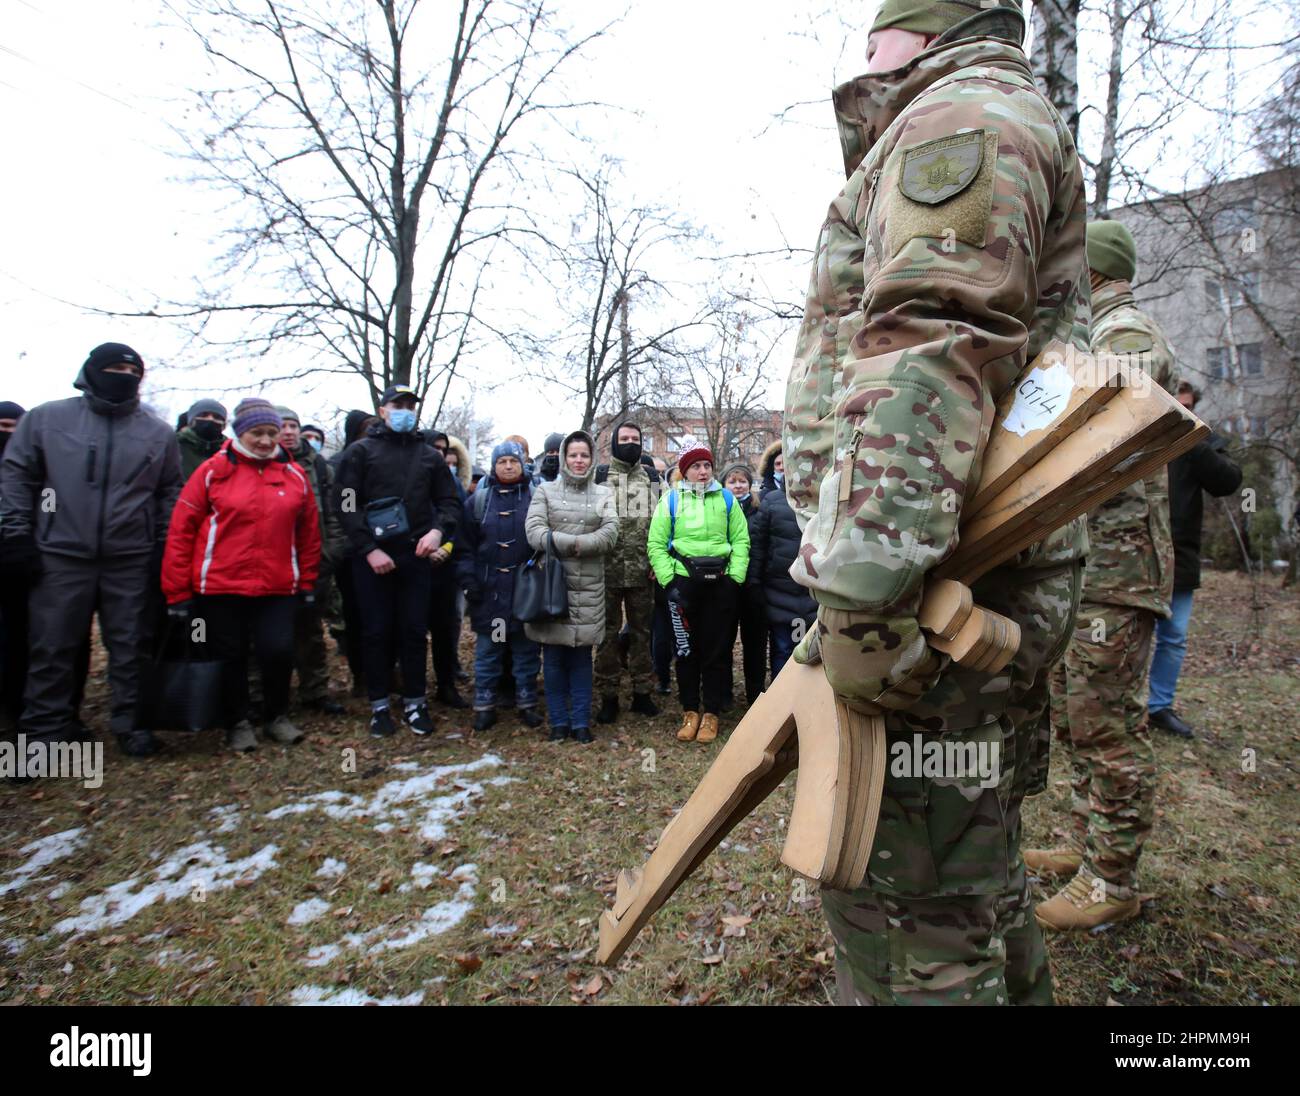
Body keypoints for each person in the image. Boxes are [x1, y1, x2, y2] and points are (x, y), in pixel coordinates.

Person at [782, 0, 1090, 1004]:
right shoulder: (996, 114)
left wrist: (866, 605)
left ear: (916, 27)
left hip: (923, 606)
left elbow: (932, 343)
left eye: (873, 32)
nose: (861, 55)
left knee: (910, 933)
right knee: (970, 891)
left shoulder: (958, 120)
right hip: (954, 583)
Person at [1034, 221, 1179, 932]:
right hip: (1090, 567)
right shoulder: (1093, 332)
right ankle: (1090, 843)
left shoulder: (1124, 331)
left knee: (1108, 728)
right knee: (1075, 718)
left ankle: (1112, 879)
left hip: (1120, 571)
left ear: (1092, 271)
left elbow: (1133, 405)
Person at [0, 344, 183, 758]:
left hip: (130, 556)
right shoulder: (48, 419)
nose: (123, 375)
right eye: (115, 368)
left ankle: (133, 724)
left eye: (131, 369)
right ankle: (44, 736)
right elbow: (17, 477)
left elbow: (169, 490)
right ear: (92, 371)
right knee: (51, 646)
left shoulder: (157, 432)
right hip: (59, 552)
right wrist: (17, 534)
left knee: (131, 646)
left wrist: (162, 545)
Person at [162, 399, 321, 751]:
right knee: (230, 655)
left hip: (278, 585)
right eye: (256, 433)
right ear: (239, 433)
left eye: (271, 433)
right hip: (220, 584)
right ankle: (237, 721)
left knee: (278, 651)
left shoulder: (293, 475)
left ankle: (276, 716)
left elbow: (308, 533)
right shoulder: (212, 471)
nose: (265, 441)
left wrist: (307, 581)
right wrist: (177, 591)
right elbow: (181, 530)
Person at [334, 386, 461, 738]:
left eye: (410, 405)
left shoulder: (429, 457)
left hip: (415, 555)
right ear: (383, 409)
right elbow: (345, 504)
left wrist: (437, 533)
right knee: (375, 632)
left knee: (414, 631)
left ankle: (415, 702)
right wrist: (367, 548)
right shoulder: (359, 453)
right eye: (398, 405)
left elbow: (450, 503)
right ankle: (378, 705)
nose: (405, 410)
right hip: (372, 558)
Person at [1145, 384, 1242, 739]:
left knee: (1173, 638)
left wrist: (1191, 438)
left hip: (1179, 560)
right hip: (1130, 557)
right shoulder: (1140, 428)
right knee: (1124, 636)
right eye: (1176, 405)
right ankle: (1122, 704)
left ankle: (1158, 707)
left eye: (1187, 407)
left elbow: (1228, 481)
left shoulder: (1196, 441)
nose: (1181, 411)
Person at [647, 446, 750, 746]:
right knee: (686, 650)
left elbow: (741, 540)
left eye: (707, 465)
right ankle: (690, 710)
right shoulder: (672, 500)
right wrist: (670, 582)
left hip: (720, 585)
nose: (703, 471)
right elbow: (655, 543)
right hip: (683, 585)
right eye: (696, 466)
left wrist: (734, 579)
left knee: (717, 650)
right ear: (685, 470)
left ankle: (712, 713)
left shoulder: (727, 500)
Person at [525, 430, 618, 744]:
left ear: (592, 459)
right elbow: (535, 532)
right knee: (552, 660)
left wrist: (576, 544)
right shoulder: (545, 492)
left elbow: (610, 534)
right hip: (552, 586)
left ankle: (580, 722)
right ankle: (558, 723)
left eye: (585, 455)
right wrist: (574, 543)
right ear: (564, 458)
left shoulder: (604, 494)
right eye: (573, 455)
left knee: (580, 659)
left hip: (589, 587)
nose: (579, 461)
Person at [458, 440, 544, 732]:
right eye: (502, 462)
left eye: (513, 461)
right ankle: (484, 705)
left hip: (525, 592)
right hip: (489, 592)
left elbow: (543, 544)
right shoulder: (478, 502)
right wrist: (469, 582)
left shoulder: (535, 499)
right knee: (489, 652)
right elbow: (465, 548)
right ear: (494, 466)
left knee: (526, 653)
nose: (508, 466)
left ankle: (527, 704)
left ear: (522, 464)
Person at [277, 406, 347, 714]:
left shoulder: (319, 466)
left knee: (310, 632)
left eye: (293, 425)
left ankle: (315, 691)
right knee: (267, 636)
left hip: (314, 562)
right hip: (270, 565)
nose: (289, 431)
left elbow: (336, 513)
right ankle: (265, 697)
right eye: (282, 426)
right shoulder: (256, 464)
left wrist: (330, 552)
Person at [593, 421, 660, 724]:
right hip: (605, 571)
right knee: (606, 636)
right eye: (625, 438)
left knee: (641, 635)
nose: (630, 442)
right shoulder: (600, 476)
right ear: (615, 443)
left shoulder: (652, 477)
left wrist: (658, 563)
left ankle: (643, 694)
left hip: (643, 572)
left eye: (636, 437)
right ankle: (608, 697)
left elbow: (664, 521)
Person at [746, 443, 818, 680]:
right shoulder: (772, 501)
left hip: (812, 592)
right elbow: (759, 546)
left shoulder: (820, 500)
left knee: (812, 653)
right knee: (782, 650)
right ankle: (782, 704)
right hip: (779, 591)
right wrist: (755, 583)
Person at [329, 410, 378, 696]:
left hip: (386, 550)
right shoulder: (341, 463)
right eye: (366, 428)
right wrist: (353, 539)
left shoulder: (384, 460)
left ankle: (385, 670)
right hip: (351, 553)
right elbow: (343, 506)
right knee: (356, 617)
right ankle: (361, 674)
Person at [720, 461, 766, 706]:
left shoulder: (760, 510)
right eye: (732, 481)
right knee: (723, 641)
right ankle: (724, 694)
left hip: (753, 587)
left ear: (749, 484)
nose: (737, 486)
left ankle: (756, 695)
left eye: (742, 481)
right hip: (724, 586)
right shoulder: (718, 510)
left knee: (755, 645)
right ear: (724, 485)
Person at [0, 401, 29, 730]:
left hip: (20, 560)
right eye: (3, 426)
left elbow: (51, 503)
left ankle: (15, 709)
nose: (7, 434)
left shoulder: (37, 475)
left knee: (18, 639)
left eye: (14, 428)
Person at [177, 399, 229, 482]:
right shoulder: (175, 445)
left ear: (223, 425)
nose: (210, 419)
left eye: (217, 417)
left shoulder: (230, 452)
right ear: (191, 421)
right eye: (204, 415)